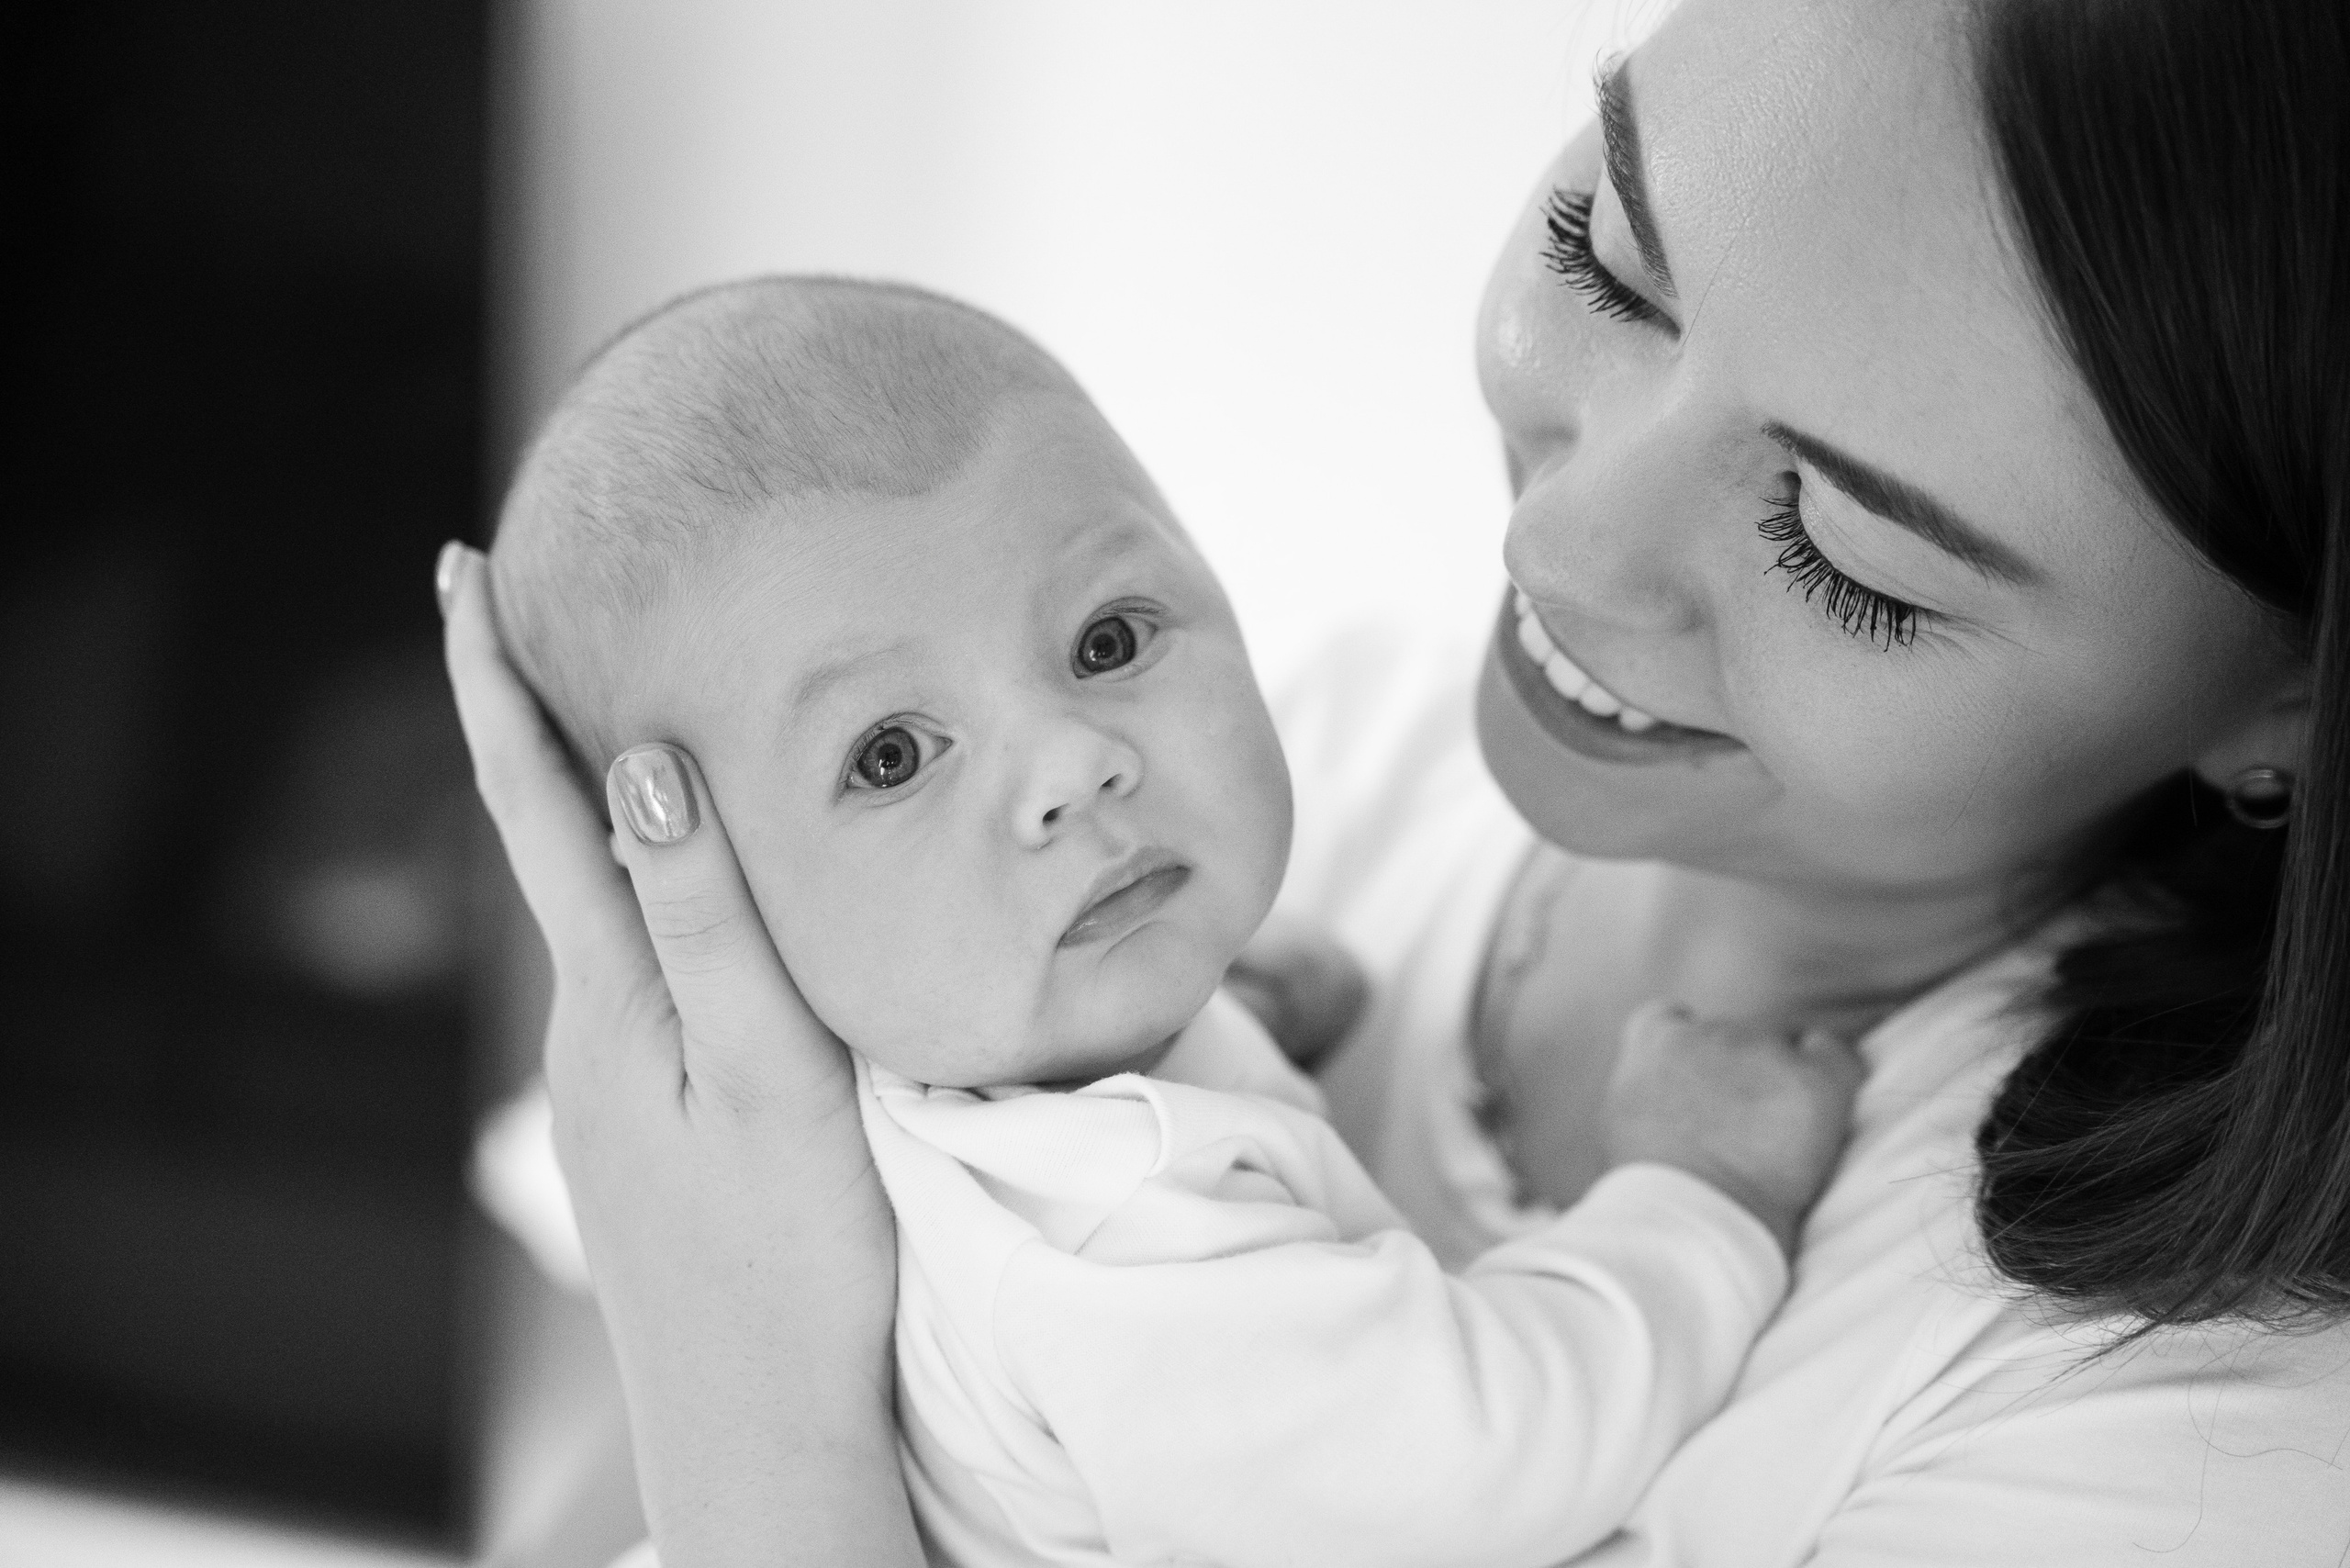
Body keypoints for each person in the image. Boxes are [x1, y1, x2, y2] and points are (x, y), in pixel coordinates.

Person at [439, 0, 2350, 1562]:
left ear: (2290, 691)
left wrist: (761, 1431)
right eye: (1606, 258)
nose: (1557, 551)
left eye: (1841, 546)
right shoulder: (1282, 789)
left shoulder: (2175, 1442)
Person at [486, 273, 1862, 1567]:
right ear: (695, 892)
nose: (1070, 763)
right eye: (892, 755)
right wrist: (1699, 1198)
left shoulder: (947, 1102)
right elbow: (1477, 1457)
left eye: (1108, 640)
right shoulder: (1113, 1235)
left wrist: (1230, 1024)